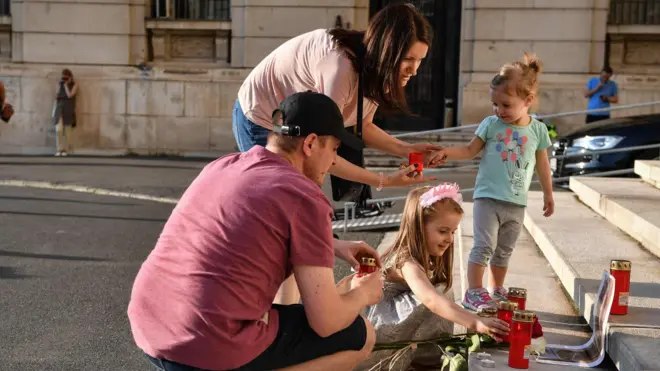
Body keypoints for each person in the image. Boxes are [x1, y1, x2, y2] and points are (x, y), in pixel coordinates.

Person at [128, 92, 425, 371]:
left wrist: (333, 244)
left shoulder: (225, 166)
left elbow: (248, 228)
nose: (333, 161)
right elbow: (327, 322)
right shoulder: (304, 196)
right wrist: (362, 294)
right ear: (309, 144)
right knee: (360, 336)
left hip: (150, 327)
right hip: (204, 346)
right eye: (333, 149)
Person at [233, 3, 446, 190]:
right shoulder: (340, 69)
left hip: (299, 124)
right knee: (281, 197)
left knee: (299, 198)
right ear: (386, 50)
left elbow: (362, 125)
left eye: (420, 60)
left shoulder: (373, 67)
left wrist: (406, 150)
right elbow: (321, 151)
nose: (414, 70)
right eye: (408, 59)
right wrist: (384, 180)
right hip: (262, 118)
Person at [337, 183, 510, 371]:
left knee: (441, 288)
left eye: (452, 232)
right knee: (436, 293)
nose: (449, 239)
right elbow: (430, 300)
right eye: (443, 231)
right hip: (378, 332)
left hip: (388, 325)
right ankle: (423, 354)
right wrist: (474, 321)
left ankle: (426, 351)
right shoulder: (406, 261)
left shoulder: (422, 256)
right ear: (418, 227)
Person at [431, 53, 555, 311]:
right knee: (484, 245)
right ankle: (473, 292)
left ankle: (495, 289)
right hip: (487, 198)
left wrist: (548, 194)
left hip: (517, 202)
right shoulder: (491, 125)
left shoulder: (538, 131)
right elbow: (468, 150)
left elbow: (543, 164)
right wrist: (445, 152)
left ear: (528, 100)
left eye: (506, 105)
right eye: (495, 104)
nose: (499, 111)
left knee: (504, 249)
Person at [52, 68, 78, 156]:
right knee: (58, 130)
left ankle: (66, 150)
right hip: (59, 108)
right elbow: (56, 96)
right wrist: (59, 86)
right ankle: (59, 149)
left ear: (71, 77)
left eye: (67, 78)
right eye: (64, 78)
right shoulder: (60, 84)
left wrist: (66, 86)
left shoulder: (75, 85)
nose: (65, 80)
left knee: (68, 131)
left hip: (69, 109)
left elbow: (70, 95)